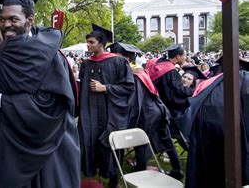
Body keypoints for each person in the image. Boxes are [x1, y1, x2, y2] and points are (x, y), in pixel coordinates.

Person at [0, 0, 80, 187]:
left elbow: (50, 106)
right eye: (3, 19)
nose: (6, 24)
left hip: (48, 144)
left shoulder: (49, 55)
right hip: (12, 140)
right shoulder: (5, 52)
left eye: (13, 19)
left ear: (30, 20)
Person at [78, 25, 135, 187]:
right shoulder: (86, 64)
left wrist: (106, 88)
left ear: (101, 43)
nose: (88, 45)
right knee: (89, 141)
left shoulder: (118, 61)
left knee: (109, 143)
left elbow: (129, 87)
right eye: (87, 42)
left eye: (91, 42)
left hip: (110, 112)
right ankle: (91, 173)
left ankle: (112, 177)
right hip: (88, 112)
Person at [180, 58, 249, 187]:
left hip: (204, 133)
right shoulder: (245, 79)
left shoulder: (209, 83)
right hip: (231, 133)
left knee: (208, 170)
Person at [108, 42, 174, 172]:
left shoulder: (134, 75)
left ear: (122, 57)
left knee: (141, 143)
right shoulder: (138, 70)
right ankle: (176, 168)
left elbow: (135, 101)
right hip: (156, 109)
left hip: (147, 112)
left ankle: (140, 170)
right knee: (164, 140)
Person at [147, 43, 193, 179]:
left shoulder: (159, 65)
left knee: (166, 137)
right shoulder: (170, 71)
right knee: (174, 136)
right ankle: (180, 166)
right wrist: (191, 92)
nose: (185, 57)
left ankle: (177, 167)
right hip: (166, 110)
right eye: (184, 54)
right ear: (178, 56)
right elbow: (174, 93)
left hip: (153, 106)